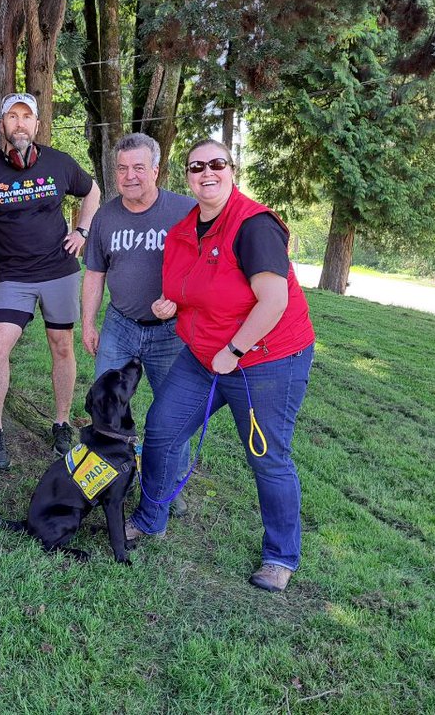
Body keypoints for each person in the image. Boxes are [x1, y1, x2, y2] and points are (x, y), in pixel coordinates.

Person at [125, 139, 316, 593]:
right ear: (185, 175)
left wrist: (234, 351)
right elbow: (188, 289)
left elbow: (274, 299)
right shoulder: (182, 231)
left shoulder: (254, 225)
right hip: (204, 356)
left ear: (231, 169)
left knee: (268, 457)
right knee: (163, 428)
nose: (206, 173)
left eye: (217, 164)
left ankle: (280, 557)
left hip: (266, 359)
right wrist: (171, 307)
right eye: (196, 167)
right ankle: (151, 518)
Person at [0, 92, 101, 469]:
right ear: (3, 126)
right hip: (14, 277)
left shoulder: (59, 163)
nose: (20, 123)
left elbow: (92, 192)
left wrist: (83, 231)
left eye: (27, 116)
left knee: (61, 346)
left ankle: (61, 422)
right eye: (12, 116)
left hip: (59, 272)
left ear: (37, 124)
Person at [80, 132, 195, 510]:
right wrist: (89, 323)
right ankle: (99, 476)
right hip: (120, 325)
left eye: (139, 168)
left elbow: (207, 269)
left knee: (172, 412)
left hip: (170, 334)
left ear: (156, 171)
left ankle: (166, 486)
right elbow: (95, 274)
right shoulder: (105, 217)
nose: (130, 176)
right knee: (104, 405)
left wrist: (180, 302)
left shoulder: (185, 211)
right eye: (123, 168)